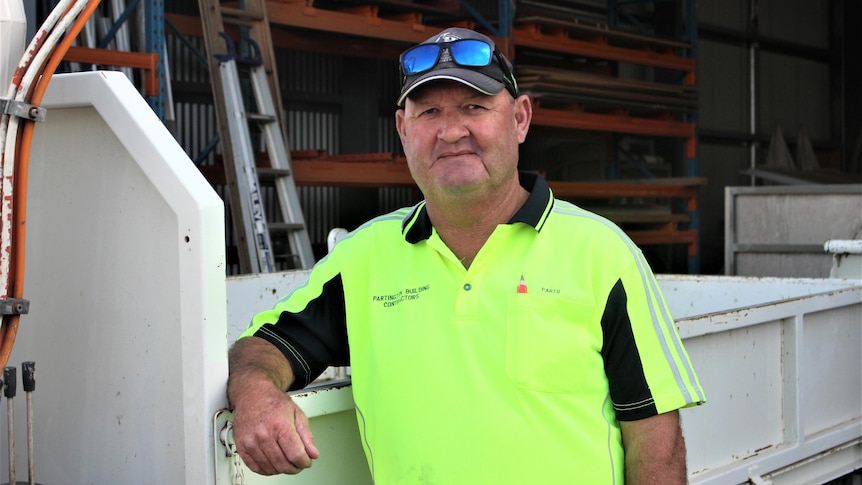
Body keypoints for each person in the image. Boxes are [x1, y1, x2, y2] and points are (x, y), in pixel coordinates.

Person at [227, 27, 706, 484]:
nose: (451, 131)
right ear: (402, 129)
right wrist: (256, 394)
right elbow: (261, 349)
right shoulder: (364, 259)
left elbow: (656, 444)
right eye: (429, 112)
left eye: (474, 106)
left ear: (520, 119)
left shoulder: (601, 254)